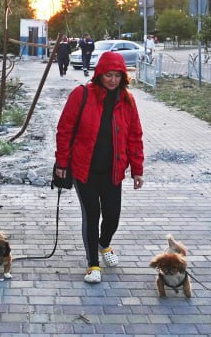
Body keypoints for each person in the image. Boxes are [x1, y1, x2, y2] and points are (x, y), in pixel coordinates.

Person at [54, 51, 145, 284]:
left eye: (117, 75)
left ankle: (105, 244)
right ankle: (93, 264)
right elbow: (64, 130)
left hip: (113, 171)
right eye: (108, 75)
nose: (113, 80)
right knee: (92, 214)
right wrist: (62, 162)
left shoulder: (127, 101)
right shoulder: (81, 95)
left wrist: (137, 169)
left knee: (113, 215)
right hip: (84, 170)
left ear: (123, 77)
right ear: (99, 75)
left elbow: (135, 135)